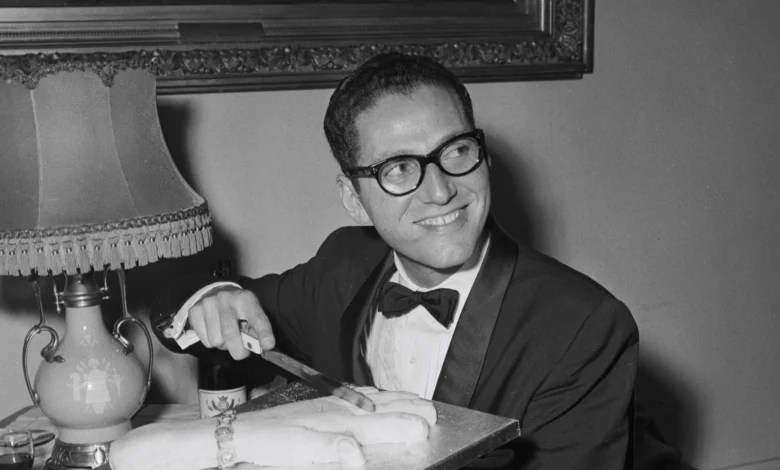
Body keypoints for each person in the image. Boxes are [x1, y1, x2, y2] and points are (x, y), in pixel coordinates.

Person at [153, 52, 639, 469]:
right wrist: (212, 296)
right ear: (354, 200)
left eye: (457, 150)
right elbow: (186, 308)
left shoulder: (583, 326)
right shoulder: (342, 266)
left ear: (484, 155)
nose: (441, 191)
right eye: (400, 168)